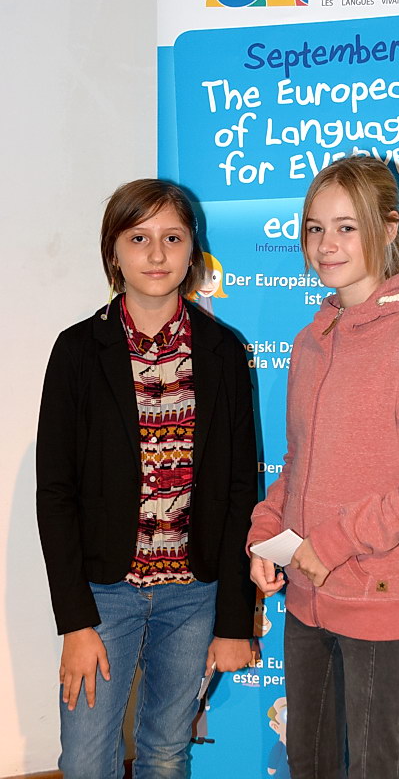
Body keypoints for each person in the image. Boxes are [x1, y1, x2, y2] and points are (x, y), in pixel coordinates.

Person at [248, 155, 399, 779]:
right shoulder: (309, 342)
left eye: (346, 227)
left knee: (377, 767)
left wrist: (334, 541)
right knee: (309, 764)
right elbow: (299, 464)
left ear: (389, 228)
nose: (327, 244)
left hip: (381, 600)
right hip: (306, 600)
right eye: (315, 228)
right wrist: (267, 532)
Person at [36, 179, 257, 778]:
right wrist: (75, 620)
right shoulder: (77, 351)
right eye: (138, 238)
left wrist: (234, 620)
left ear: (192, 251)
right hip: (103, 595)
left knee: (166, 752)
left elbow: (240, 490)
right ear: (113, 251)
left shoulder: (223, 351)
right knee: (86, 760)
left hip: (193, 596)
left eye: (172, 238)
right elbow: (55, 493)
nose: (156, 254)